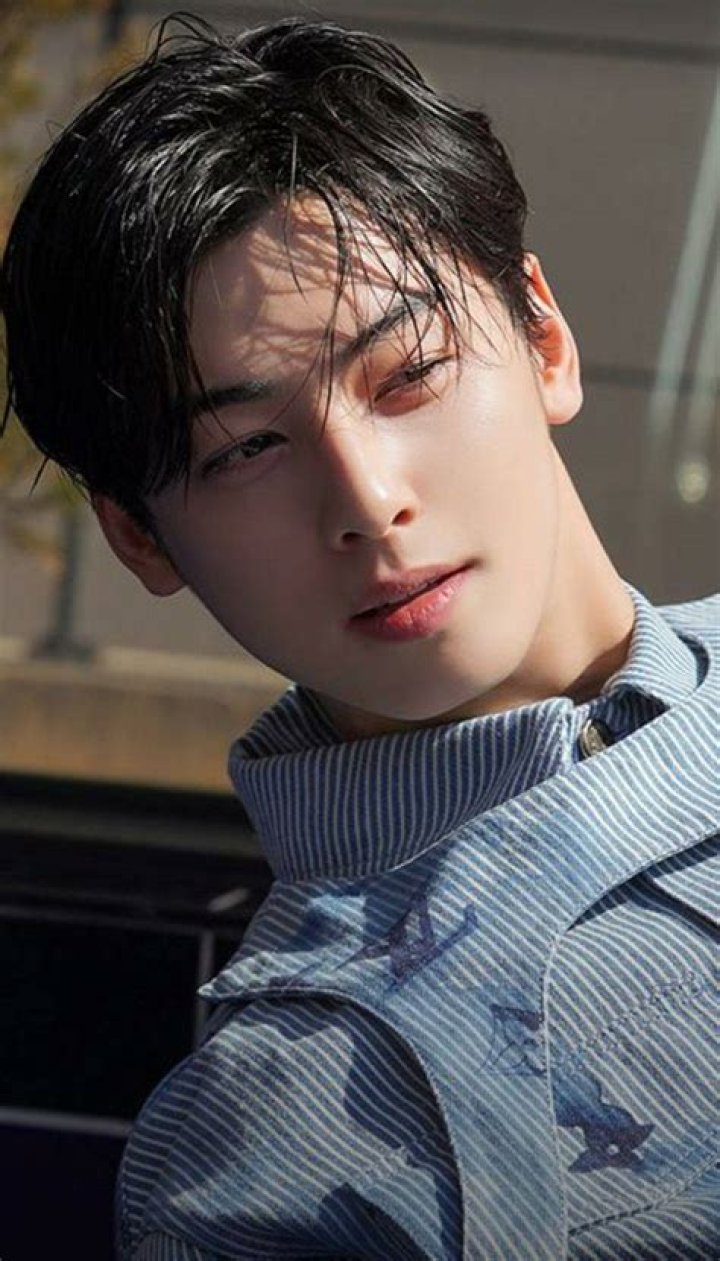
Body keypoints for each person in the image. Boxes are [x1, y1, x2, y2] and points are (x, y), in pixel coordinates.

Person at [2, 15, 718, 1260]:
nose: (368, 499)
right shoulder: (282, 1141)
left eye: (408, 375)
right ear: (140, 538)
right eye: (246, 449)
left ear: (544, 337)